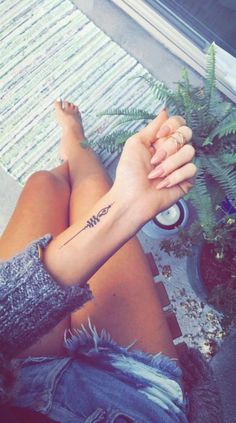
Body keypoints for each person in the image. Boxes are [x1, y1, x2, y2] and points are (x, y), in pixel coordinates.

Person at [0, 100, 196, 422]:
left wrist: (125, 204)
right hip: (128, 394)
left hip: (12, 371)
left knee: (44, 184)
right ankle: (77, 151)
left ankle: (74, 151)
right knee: (90, 186)